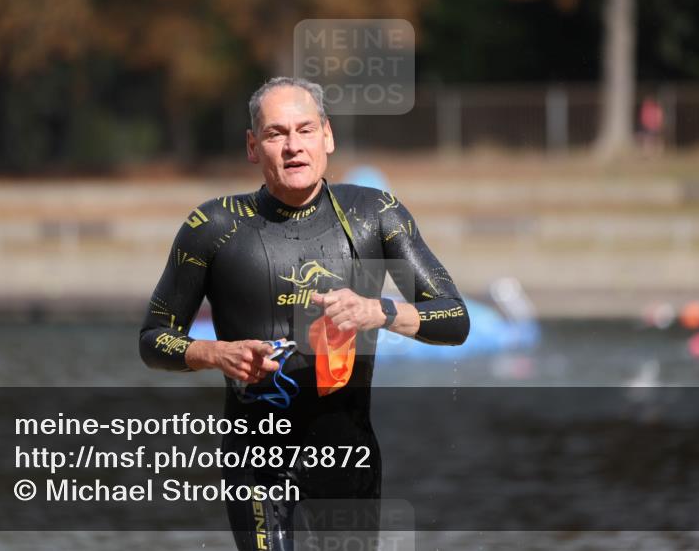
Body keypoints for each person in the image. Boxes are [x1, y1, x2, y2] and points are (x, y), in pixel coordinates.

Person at [139, 77, 469, 550]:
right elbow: (152, 339)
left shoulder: (374, 214)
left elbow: (454, 319)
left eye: (305, 130)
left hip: (346, 457)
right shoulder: (212, 227)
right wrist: (214, 353)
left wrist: (379, 311)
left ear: (327, 137)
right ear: (254, 147)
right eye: (276, 134)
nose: (293, 146)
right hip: (255, 460)